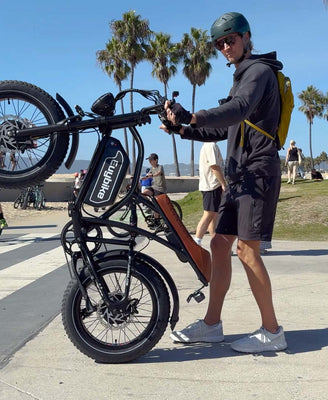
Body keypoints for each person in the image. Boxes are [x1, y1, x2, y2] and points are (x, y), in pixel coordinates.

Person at [161, 12, 287, 353]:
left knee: (247, 250)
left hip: (257, 172)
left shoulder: (258, 73)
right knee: (219, 245)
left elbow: (240, 108)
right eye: (220, 44)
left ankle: (272, 332)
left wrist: (195, 115)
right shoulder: (242, 76)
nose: (225, 47)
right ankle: (212, 325)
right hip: (238, 174)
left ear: (246, 36)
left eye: (230, 40)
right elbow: (225, 127)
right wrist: (183, 128)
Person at [195, 142, 226, 246]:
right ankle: (197, 242)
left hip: (212, 186)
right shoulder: (210, 145)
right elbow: (214, 167)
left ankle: (215, 242)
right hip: (211, 185)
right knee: (208, 214)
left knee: (214, 215)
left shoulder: (210, 145)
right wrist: (223, 184)